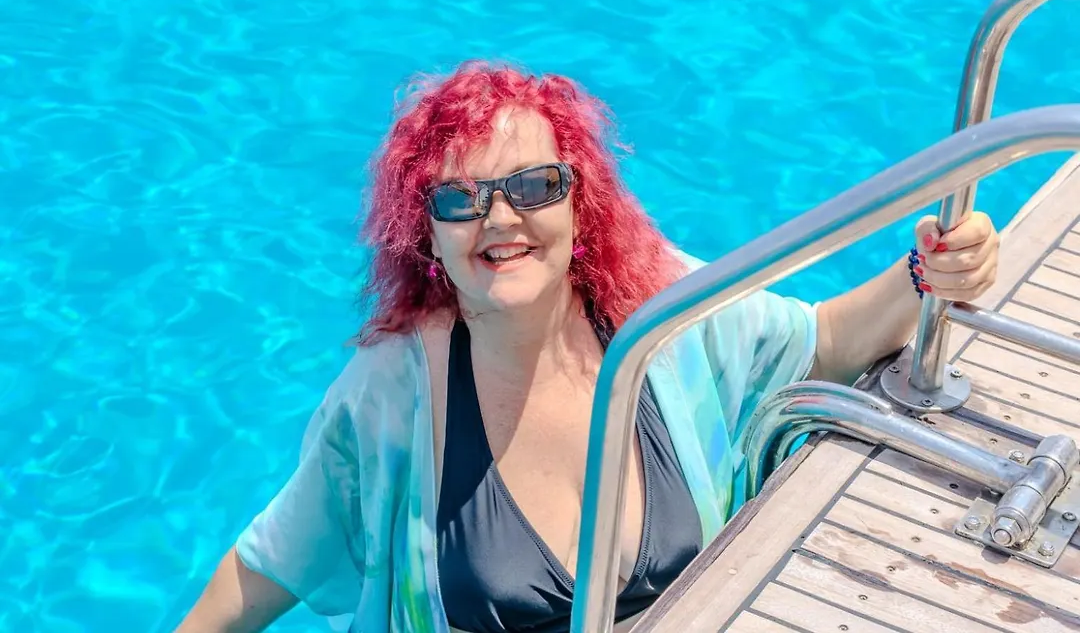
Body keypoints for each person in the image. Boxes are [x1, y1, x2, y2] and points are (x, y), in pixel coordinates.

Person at [174, 60, 1000, 633]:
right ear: (426, 232)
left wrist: (928, 271)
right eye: (460, 199)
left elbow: (823, 342)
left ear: (580, 203)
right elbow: (267, 566)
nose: (500, 219)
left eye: (533, 187)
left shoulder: (657, 315)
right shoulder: (394, 391)